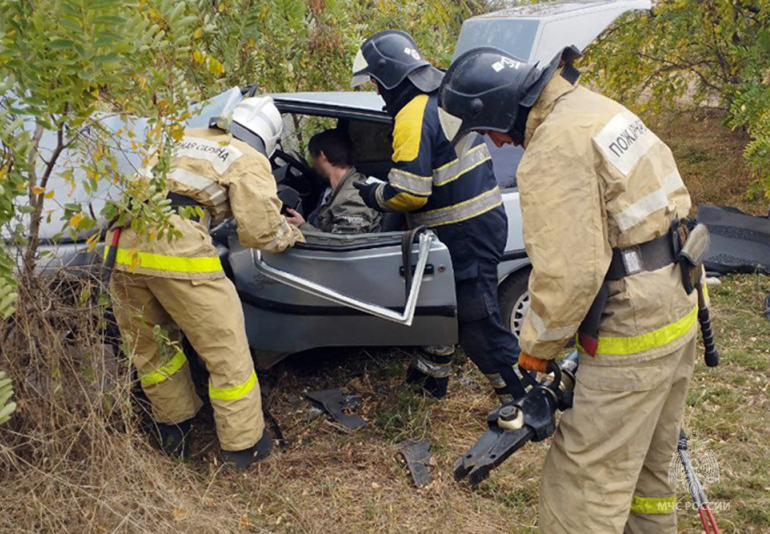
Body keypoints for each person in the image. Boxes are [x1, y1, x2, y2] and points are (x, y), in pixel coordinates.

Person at [439, 46, 701, 533]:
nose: (496, 143)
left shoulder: (554, 148)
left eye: (489, 129)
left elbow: (570, 275)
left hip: (633, 327)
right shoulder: (600, 111)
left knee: (581, 484)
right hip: (678, 302)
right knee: (647, 469)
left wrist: (536, 351)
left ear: (500, 109)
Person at [106, 96, 302, 470]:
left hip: (125, 248)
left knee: (154, 352)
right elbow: (261, 231)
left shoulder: (180, 137)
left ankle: (173, 432)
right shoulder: (246, 156)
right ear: (266, 139)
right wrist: (290, 235)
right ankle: (245, 447)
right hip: (178, 249)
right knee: (226, 351)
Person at [350, 30, 525, 402]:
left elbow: (411, 191)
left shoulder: (412, 115)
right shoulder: (441, 98)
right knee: (443, 305)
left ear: (390, 78)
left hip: (463, 232)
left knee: (477, 323)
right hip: (478, 224)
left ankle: (520, 395)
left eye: (377, 84)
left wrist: (372, 194)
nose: (378, 93)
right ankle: (430, 380)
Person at [284, 129, 381, 233]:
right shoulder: (344, 186)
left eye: (313, 159)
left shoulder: (350, 198)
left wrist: (302, 227)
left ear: (322, 156)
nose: (313, 165)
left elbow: (345, 245)